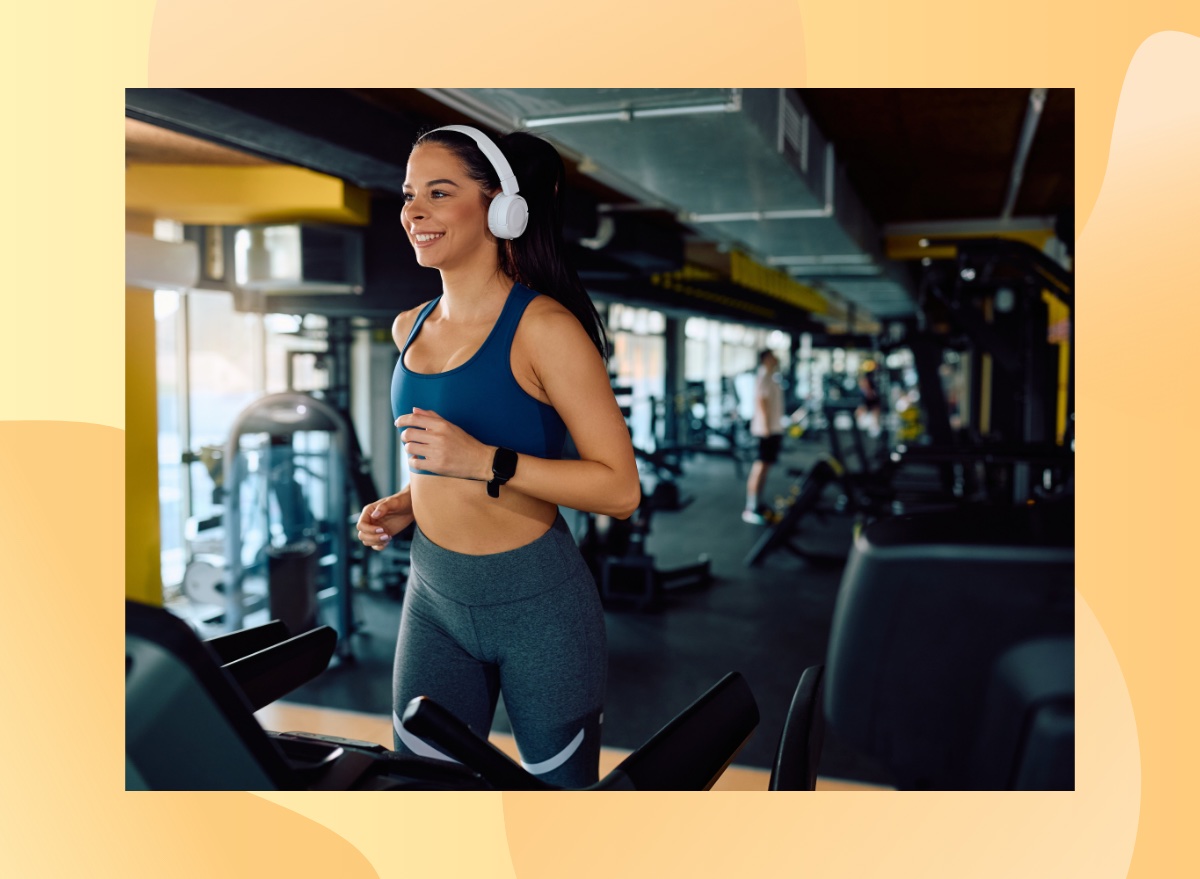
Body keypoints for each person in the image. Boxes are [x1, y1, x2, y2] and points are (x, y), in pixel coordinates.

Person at [354, 125, 640, 788]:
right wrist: (404, 505)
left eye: (439, 192)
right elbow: (439, 463)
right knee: (417, 798)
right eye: (408, 194)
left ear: (500, 207)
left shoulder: (545, 328)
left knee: (555, 822)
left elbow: (621, 489)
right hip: (433, 597)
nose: (414, 211)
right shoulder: (409, 326)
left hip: (537, 605)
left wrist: (486, 461)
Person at [743, 349, 784, 525]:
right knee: (759, 467)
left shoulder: (770, 376)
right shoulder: (764, 376)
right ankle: (750, 508)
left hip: (772, 429)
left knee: (765, 467)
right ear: (766, 359)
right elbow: (761, 401)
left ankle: (758, 503)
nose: (776, 359)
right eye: (773, 356)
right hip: (765, 431)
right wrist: (766, 427)